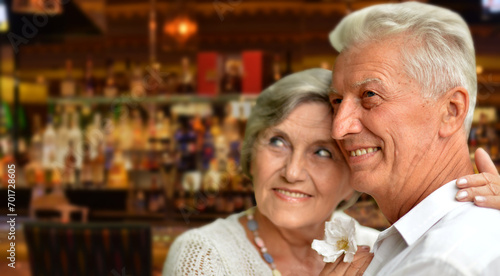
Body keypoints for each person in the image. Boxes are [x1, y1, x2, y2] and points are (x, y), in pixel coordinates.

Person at [163, 69, 500, 275]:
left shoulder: (382, 250)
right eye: (278, 142)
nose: (293, 172)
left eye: (322, 152)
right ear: (251, 154)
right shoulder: (204, 256)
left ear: (352, 179)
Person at [325, 2, 500, 275]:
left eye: (370, 95)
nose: (339, 128)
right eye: (336, 100)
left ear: (451, 111)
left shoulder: (441, 261)